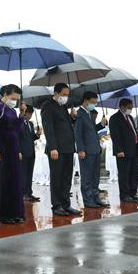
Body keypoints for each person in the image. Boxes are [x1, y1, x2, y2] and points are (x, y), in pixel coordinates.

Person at [0, 84, 26, 224]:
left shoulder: (11, 110)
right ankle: (4, 214)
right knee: (3, 181)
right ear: (5, 94)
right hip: (2, 149)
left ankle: (16, 212)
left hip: (13, 148)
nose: (15, 101)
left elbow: (17, 130)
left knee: (15, 180)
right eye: (13, 98)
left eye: (17, 99)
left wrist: (21, 115)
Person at [41, 83, 82, 216]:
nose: (66, 97)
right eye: (64, 94)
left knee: (66, 177)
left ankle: (66, 204)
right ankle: (57, 205)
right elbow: (49, 128)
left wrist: (72, 117)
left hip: (68, 148)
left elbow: (65, 125)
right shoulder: (48, 106)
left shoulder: (63, 106)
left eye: (67, 95)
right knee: (57, 177)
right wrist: (53, 147)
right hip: (57, 149)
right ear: (56, 93)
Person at [73, 91, 109, 208]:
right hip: (86, 151)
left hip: (95, 149)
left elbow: (92, 130)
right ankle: (88, 200)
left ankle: (95, 198)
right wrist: (81, 150)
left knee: (95, 177)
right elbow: (78, 134)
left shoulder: (89, 114)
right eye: (93, 102)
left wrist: (101, 124)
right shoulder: (79, 114)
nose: (94, 104)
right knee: (87, 177)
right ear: (85, 101)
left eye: (95, 102)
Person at [109, 98, 138, 203]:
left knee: (134, 173)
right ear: (122, 107)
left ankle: (133, 193)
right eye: (129, 107)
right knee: (124, 174)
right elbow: (115, 135)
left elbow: (132, 133)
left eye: (131, 107)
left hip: (133, 150)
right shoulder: (115, 118)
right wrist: (119, 150)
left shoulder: (130, 118)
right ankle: (124, 195)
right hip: (123, 151)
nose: (130, 109)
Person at [18, 104, 40, 202]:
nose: (30, 116)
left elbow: (31, 137)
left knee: (29, 173)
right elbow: (16, 138)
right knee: (23, 174)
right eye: (29, 114)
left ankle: (29, 193)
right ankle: (23, 194)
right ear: (24, 113)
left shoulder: (30, 124)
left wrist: (37, 135)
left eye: (31, 114)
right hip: (22, 152)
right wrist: (18, 151)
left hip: (31, 152)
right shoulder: (19, 123)